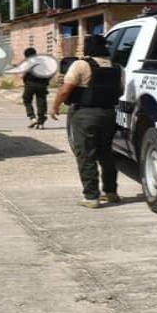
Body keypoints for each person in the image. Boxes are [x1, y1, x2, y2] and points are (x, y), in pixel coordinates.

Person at [49, 34, 123, 209]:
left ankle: (91, 196)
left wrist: (55, 107)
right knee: (106, 153)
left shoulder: (81, 64)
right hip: (109, 114)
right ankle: (111, 192)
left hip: (85, 115)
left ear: (88, 48)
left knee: (86, 154)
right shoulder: (118, 67)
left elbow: (65, 90)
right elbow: (120, 91)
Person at [6, 47, 52, 129]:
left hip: (30, 85)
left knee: (26, 100)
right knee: (41, 102)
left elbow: (23, 74)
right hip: (42, 85)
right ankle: (41, 122)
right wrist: (46, 82)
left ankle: (32, 118)